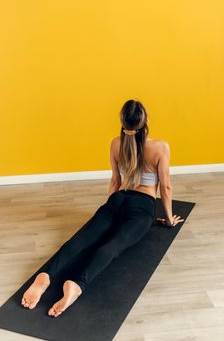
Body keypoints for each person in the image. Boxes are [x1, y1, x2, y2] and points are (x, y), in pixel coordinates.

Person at [21, 99, 184, 317]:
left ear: (122, 120)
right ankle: (77, 285)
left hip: (118, 200)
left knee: (81, 239)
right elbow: (165, 187)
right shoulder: (160, 147)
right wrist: (168, 219)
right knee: (113, 246)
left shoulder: (116, 143)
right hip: (142, 205)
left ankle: (46, 276)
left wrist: (109, 209)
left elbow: (115, 181)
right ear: (146, 121)